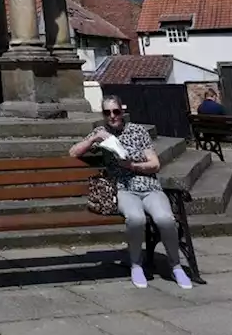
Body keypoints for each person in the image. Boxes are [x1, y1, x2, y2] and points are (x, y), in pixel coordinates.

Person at [70, 95, 192, 290]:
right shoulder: (101, 133)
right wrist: (94, 138)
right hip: (124, 188)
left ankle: (175, 266)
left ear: (122, 112)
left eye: (116, 111)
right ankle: (136, 265)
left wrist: (132, 165)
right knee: (135, 219)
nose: (112, 116)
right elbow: (74, 153)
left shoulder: (137, 131)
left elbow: (154, 164)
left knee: (165, 219)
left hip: (149, 186)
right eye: (107, 112)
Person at [196, 88, 232, 167]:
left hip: (207, 134)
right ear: (213, 96)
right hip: (220, 134)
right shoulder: (219, 107)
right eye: (216, 97)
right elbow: (227, 120)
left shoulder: (200, 108)